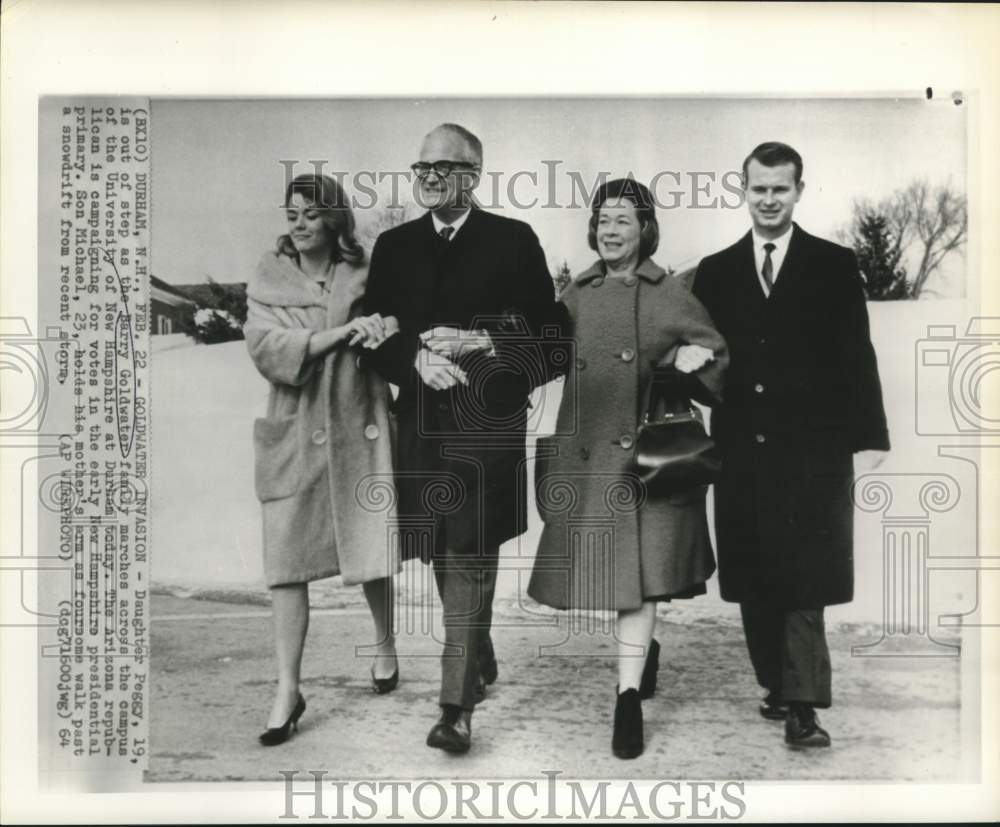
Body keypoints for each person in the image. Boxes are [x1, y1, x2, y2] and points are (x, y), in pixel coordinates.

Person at [363, 123, 559, 753]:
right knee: (444, 554)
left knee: (470, 555)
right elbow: (374, 333)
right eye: (419, 166)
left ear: (473, 176)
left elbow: (552, 338)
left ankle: (455, 710)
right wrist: (410, 362)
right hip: (418, 428)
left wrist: (485, 343)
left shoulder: (513, 240)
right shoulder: (394, 247)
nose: (426, 176)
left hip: (486, 431)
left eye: (440, 167)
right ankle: (480, 653)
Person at [692, 142, 890, 749]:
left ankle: (804, 704)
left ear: (800, 190)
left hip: (813, 451)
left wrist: (869, 435)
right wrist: (687, 365)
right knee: (754, 574)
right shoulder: (716, 269)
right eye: (759, 189)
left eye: (781, 189)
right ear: (743, 190)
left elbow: (857, 352)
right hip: (742, 451)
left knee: (806, 576)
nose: (769, 200)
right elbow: (699, 350)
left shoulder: (833, 263)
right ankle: (776, 684)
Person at [528, 178, 728, 759]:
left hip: (644, 464)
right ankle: (641, 661)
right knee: (620, 580)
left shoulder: (668, 293)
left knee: (636, 584)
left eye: (622, 219)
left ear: (645, 229)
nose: (610, 230)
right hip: (588, 456)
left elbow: (717, 357)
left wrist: (690, 365)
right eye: (603, 220)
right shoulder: (577, 292)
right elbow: (543, 353)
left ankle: (626, 699)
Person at [245, 174, 401, 747]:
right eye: (291, 212)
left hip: (358, 416)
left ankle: (384, 643)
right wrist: (339, 335)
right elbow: (266, 348)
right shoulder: (268, 277)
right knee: (286, 562)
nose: (299, 222)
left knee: (370, 543)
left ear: (334, 219)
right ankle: (287, 687)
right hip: (295, 426)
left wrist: (382, 327)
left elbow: (395, 322)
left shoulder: (366, 272)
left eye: (311, 213)